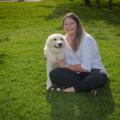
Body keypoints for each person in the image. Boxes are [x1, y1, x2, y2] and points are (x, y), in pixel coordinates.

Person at [49, 12, 108, 95]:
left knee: (101, 76)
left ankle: (74, 88)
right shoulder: (63, 39)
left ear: (77, 24)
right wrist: (49, 56)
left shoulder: (86, 39)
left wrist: (66, 66)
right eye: (66, 24)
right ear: (63, 26)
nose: (69, 27)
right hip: (75, 74)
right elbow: (59, 56)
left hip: (92, 71)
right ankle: (89, 86)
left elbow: (86, 68)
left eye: (72, 23)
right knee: (54, 74)